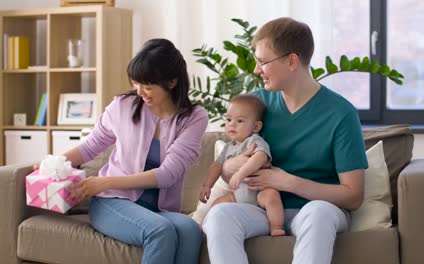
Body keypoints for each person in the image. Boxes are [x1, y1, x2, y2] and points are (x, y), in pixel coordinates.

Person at [202, 17, 368, 264]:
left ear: (291, 61)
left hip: (317, 209)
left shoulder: (341, 113)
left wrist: (288, 182)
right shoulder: (255, 106)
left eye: (262, 62)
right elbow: (230, 168)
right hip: (261, 208)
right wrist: (230, 167)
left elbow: (353, 196)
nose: (257, 70)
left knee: (318, 213)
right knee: (220, 216)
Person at [65, 38, 209, 264]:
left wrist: (104, 181)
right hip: (112, 201)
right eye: (136, 83)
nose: (140, 91)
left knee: (190, 230)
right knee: (160, 231)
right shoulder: (123, 106)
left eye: (148, 86)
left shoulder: (193, 117)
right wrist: (52, 162)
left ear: (171, 82)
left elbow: (168, 174)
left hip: (157, 208)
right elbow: (90, 146)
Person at [199, 94, 285, 236]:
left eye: (240, 121)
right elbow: (217, 166)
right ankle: (205, 229)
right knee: (217, 204)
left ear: (256, 126)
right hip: (238, 195)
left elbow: (260, 157)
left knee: (272, 196)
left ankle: (276, 226)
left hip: (259, 192)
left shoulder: (254, 141)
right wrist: (207, 185)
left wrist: (241, 173)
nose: (232, 124)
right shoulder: (228, 147)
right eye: (228, 119)